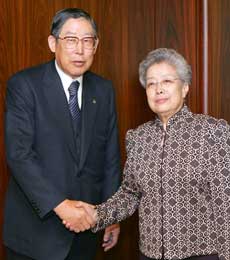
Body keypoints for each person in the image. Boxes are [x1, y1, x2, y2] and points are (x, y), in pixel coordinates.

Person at [72, 48, 230, 260]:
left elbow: (225, 202)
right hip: (150, 254)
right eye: (151, 83)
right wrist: (97, 214)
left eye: (167, 81)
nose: (158, 89)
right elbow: (130, 193)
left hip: (202, 255)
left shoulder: (212, 131)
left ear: (184, 88)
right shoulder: (138, 138)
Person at [3, 8, 121, 260]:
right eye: (70, 40)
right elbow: (19, 155)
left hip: (87, 233)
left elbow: (110, 158)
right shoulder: (24, 85)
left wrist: (111, 216)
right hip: (35, 235)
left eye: (87, 41)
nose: (80, 49)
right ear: (52, 43)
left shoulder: (103, 90)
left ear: (96, 45)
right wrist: (62, 206)